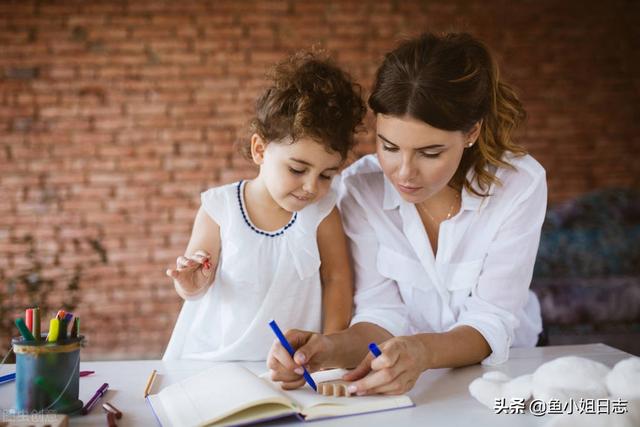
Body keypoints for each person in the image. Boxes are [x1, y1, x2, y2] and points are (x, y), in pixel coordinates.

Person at [267, 32, 547, 395]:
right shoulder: (359, 189)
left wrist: (423, 350)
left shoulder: (519, 184)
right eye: (389, 146)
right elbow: (381, 313)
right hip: (409, 378)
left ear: (471, 132)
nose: (403, 172)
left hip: (512, 372)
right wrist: (329, 348)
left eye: (430, 153)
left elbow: (492, 320)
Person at [163, 52, 366, 361]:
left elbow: (336, 279)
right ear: (260, 149)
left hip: (291, 364)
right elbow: (195, 289)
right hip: (216, 361)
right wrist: (191, 284)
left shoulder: (322, 212)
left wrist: (331, 347)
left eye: (327, 175)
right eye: (297, 170)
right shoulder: (221, 208)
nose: (312, 187)